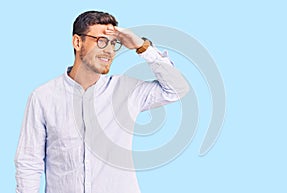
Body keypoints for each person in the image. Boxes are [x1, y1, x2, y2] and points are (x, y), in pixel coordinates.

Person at [15, 10, 189, 193]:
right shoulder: (43, 97)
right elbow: (29, 162)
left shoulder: (126, 90)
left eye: (113, 43)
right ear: (77, 42)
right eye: (101, 41)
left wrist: (141, 46)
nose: (108, 50)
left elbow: (177, 89)